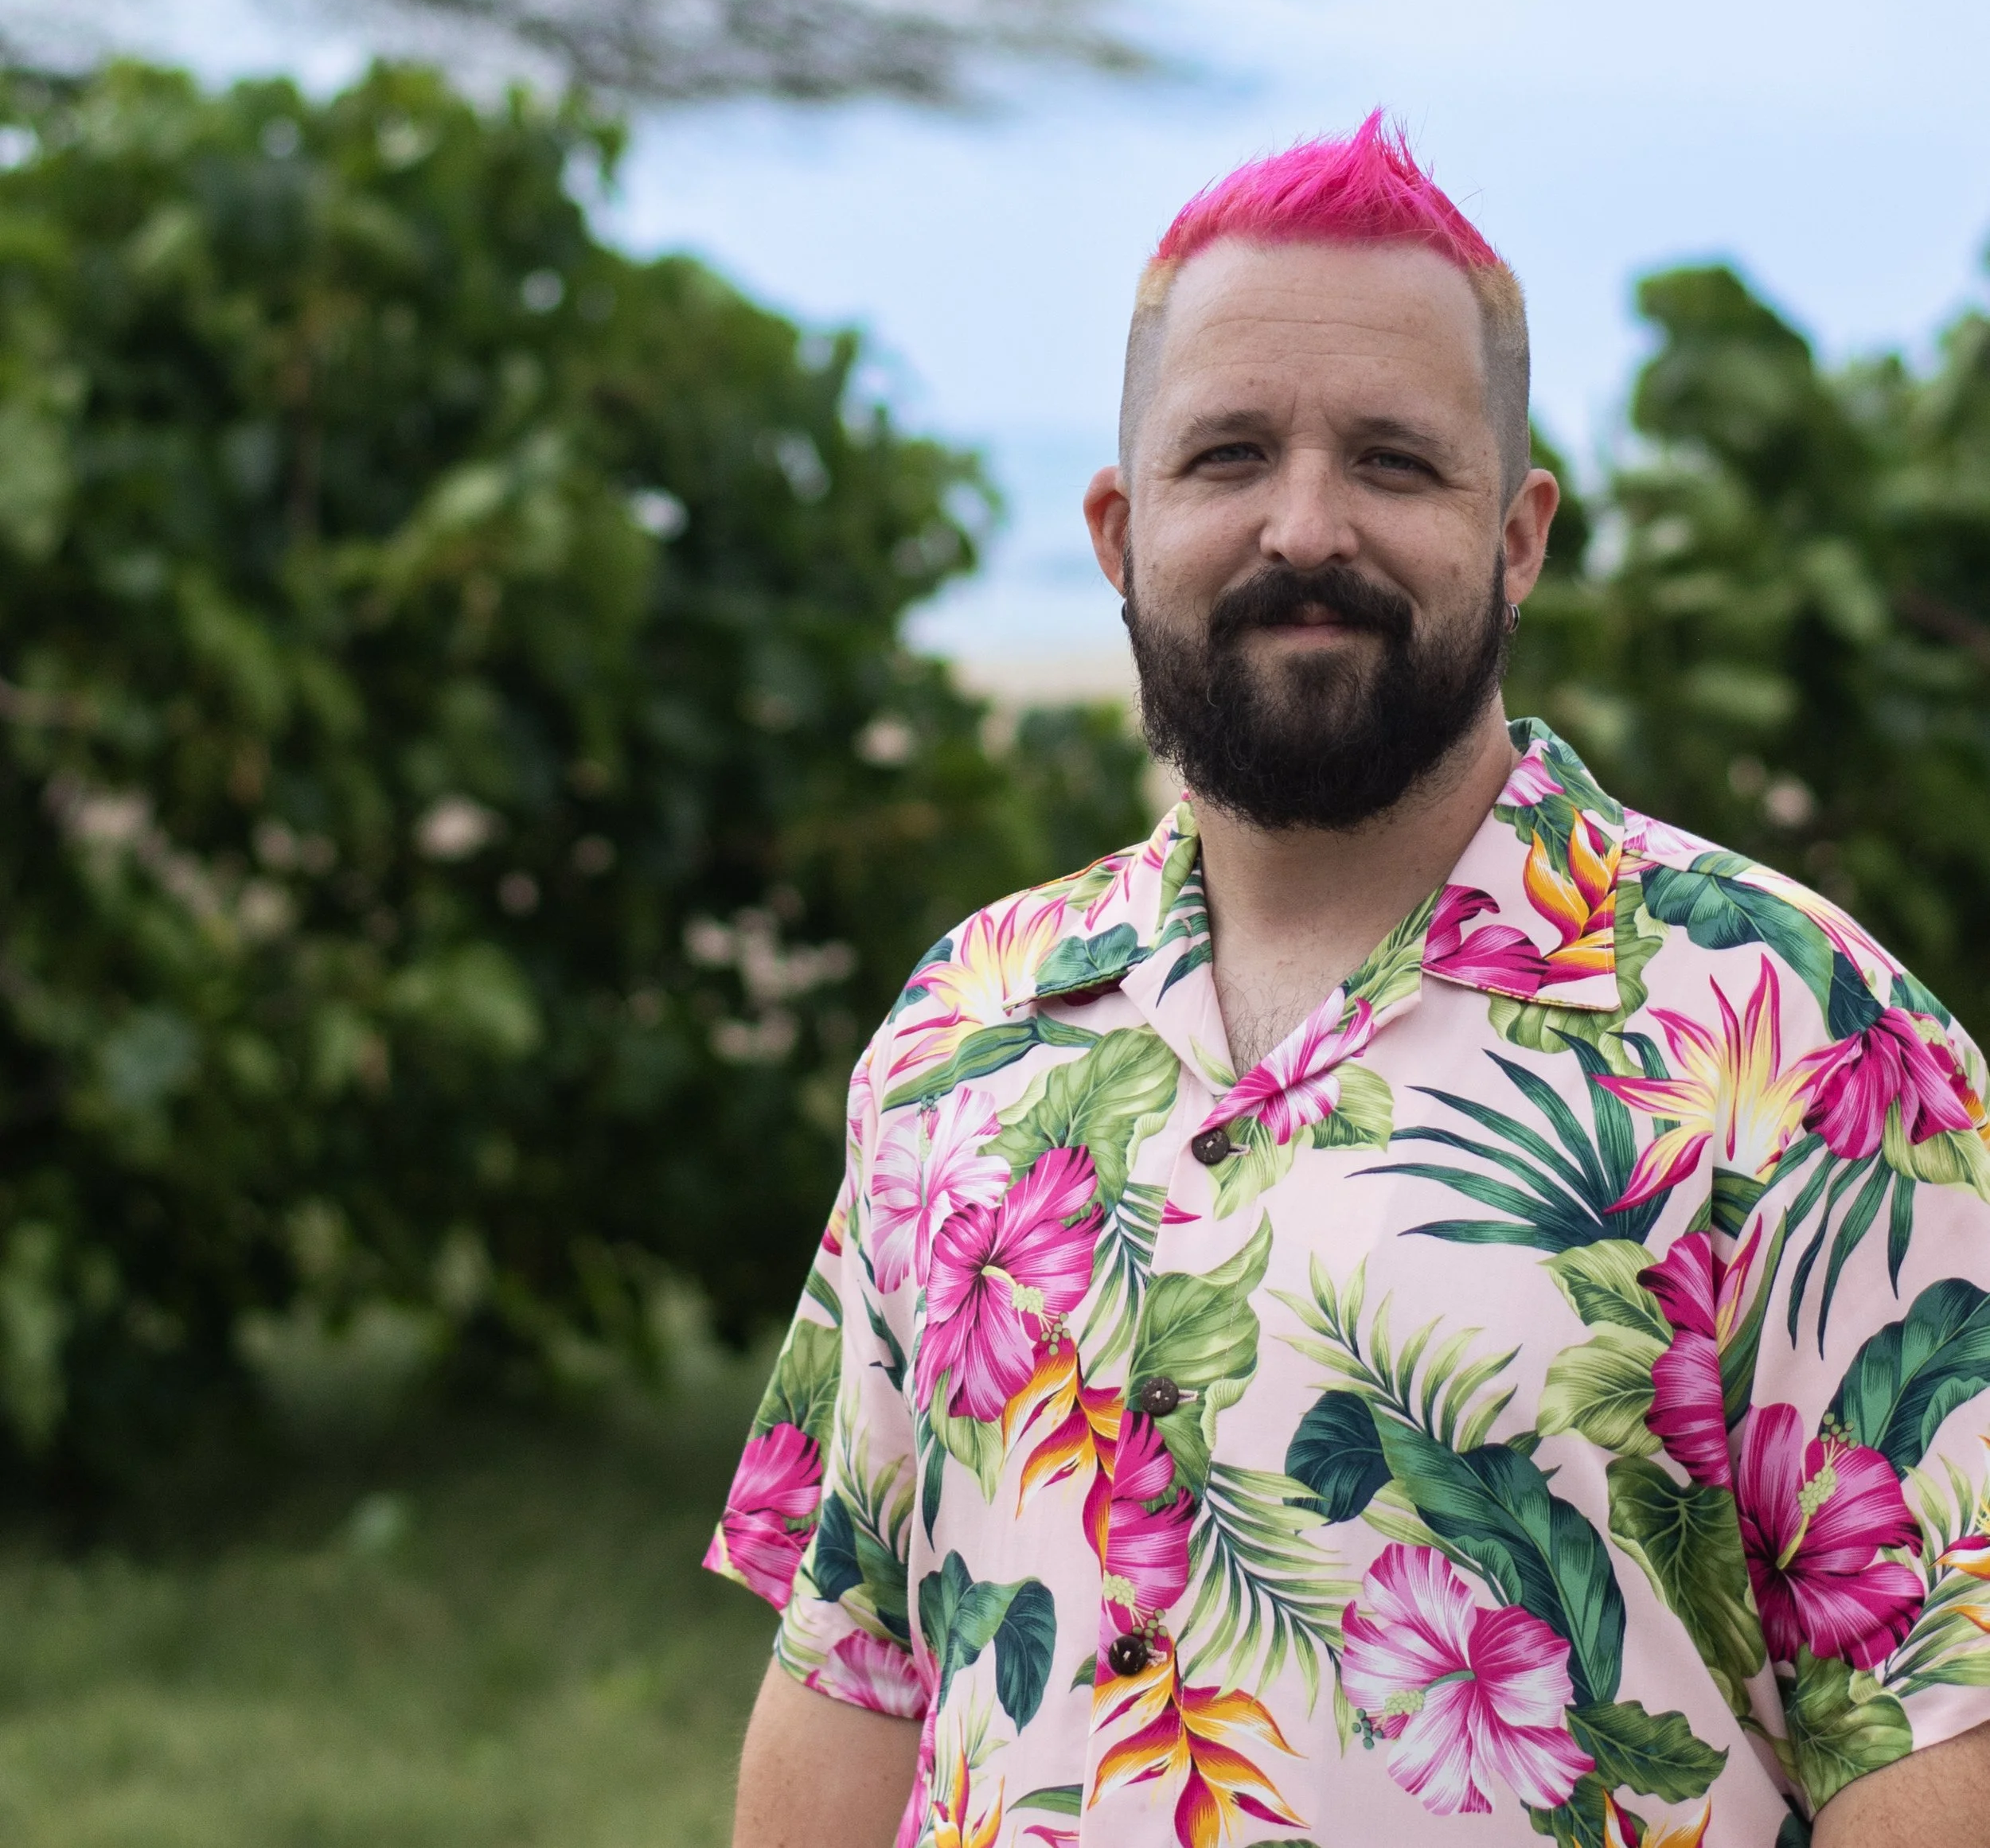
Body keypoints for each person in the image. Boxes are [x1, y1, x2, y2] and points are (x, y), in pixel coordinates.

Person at [706, 116, 1990, 1846]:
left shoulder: (1803, 1035)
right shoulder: (965, 1024)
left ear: (1519, 533)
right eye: (1227, 454)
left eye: (1392, 462)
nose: (1303, 527)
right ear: (1113, 527)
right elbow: (851, 1668)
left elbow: (1932, 1739)